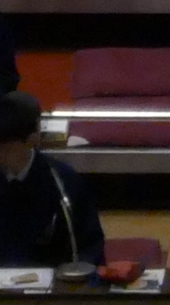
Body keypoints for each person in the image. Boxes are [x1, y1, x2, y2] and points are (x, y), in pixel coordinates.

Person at [0, 92, 102, 270]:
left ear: (33, 137)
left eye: (7, 149)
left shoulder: (64, 182)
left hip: (53, 281)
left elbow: (89, 247)